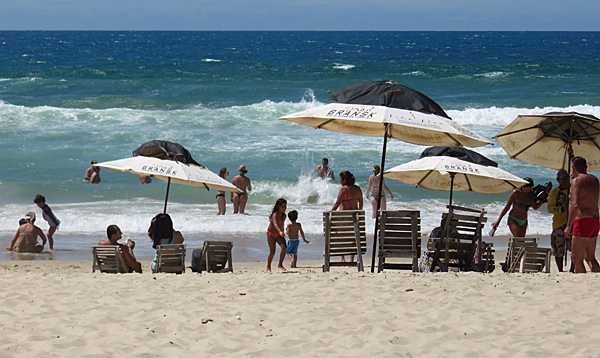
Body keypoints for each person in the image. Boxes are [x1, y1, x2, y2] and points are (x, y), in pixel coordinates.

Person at [565, 156, 600, 273]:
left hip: (583, 221)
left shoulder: (577, 181)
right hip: (595, 220)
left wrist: (568, 226)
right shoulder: (595, 179)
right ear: (586, 167)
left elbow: (575, 205)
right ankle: (596, 280)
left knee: (576, 258)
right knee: (590, 257)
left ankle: (581, 284)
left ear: (573, 168)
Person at [332, 171, 364, 262]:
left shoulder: (343, 189)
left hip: (343, 217)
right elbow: (361, 204)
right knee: (352, 238)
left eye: (341, 180)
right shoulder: (358, 189)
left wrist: (330, 212)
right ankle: (351, 260)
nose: (340, 181)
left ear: (345, 180)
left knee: (342, 237)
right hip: (353, 218)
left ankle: (342, 258)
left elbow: (337, 203)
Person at [547, 169, 570, 272]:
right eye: (562, 178)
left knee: (574, 249)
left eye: (566, 178)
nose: (565, 180)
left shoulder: (573, 190)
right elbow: (550, 208)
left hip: (571, 223)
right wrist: (561, 209)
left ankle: (572, 269)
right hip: (558, 224)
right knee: (558, 249)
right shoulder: (554, 193)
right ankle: (560, 270)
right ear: (558, 180)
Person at [267, 198, 287, 272]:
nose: (284, 208)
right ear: (278, 207)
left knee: (284, 247)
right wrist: (280, 231)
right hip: (271, 234)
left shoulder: (284, 215)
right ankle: (268, 267)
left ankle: (280, 264)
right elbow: (275, 224)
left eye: (285, 206)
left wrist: (284, 231)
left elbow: (282, 224)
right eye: (282, 207)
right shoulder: (275, 214)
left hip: (278, 234)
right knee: (272, 251)